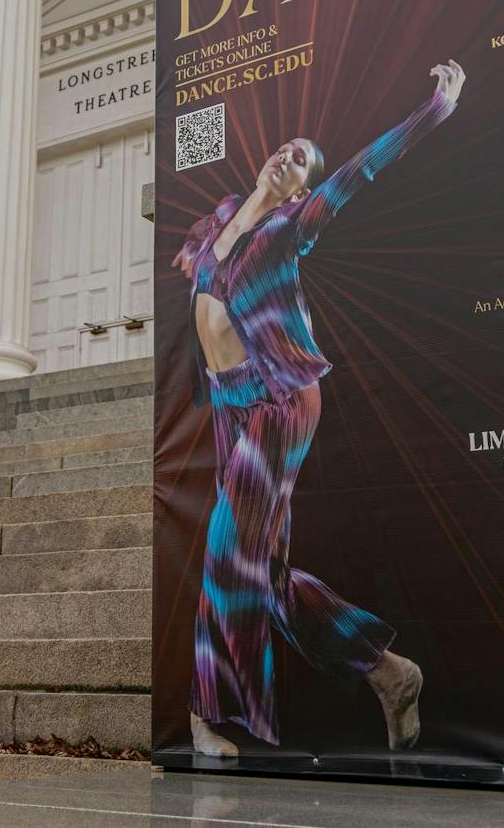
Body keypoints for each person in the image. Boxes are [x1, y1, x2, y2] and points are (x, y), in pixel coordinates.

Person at [172, 60, 468, 758]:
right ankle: (389, 672)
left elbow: (357, 172)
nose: (289, 156)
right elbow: (199, 282)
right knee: (264, 574)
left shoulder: (288, 226)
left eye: (302, 158)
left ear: (301, 186)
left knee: (224, 552)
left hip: (279, 398)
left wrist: (433, 111)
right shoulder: (218, 219)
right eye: (285, 148)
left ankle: (204, 716)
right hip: (232, 406)